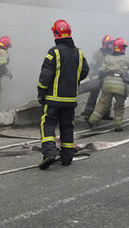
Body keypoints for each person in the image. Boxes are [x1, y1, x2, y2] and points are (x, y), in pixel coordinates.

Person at [37, 19, 89, 169]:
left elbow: (45, 76)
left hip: (53, 99)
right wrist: (72, 80)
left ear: (55, 33)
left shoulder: (54, 52)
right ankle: (67, 157)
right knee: (67, 126)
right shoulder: (79, 53)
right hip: (70, 100)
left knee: (47, 124)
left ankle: (49, 153)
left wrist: (41, 93)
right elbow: (85, 71)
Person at [87, 37, 129, 131]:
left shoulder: (108, 57)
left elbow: (101, 71)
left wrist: (102, 81)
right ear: (123, 48)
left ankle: (92, 121)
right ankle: (118, 126)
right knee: (119, 106)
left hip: (107, 84)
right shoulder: (127, 59)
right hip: (120, 85)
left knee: (102, 103)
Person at [81, 35, 113, 120]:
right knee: (94, 93)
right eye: (109, 43)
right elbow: (92, 64)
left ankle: (106, 113)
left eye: (112, 43)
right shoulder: (98, 53)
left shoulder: (112, 53)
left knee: (107, 95)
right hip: (97, 78)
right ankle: (88, 111)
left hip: (107, 78)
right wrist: (91, 73)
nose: (111, 45)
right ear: (105, 44)